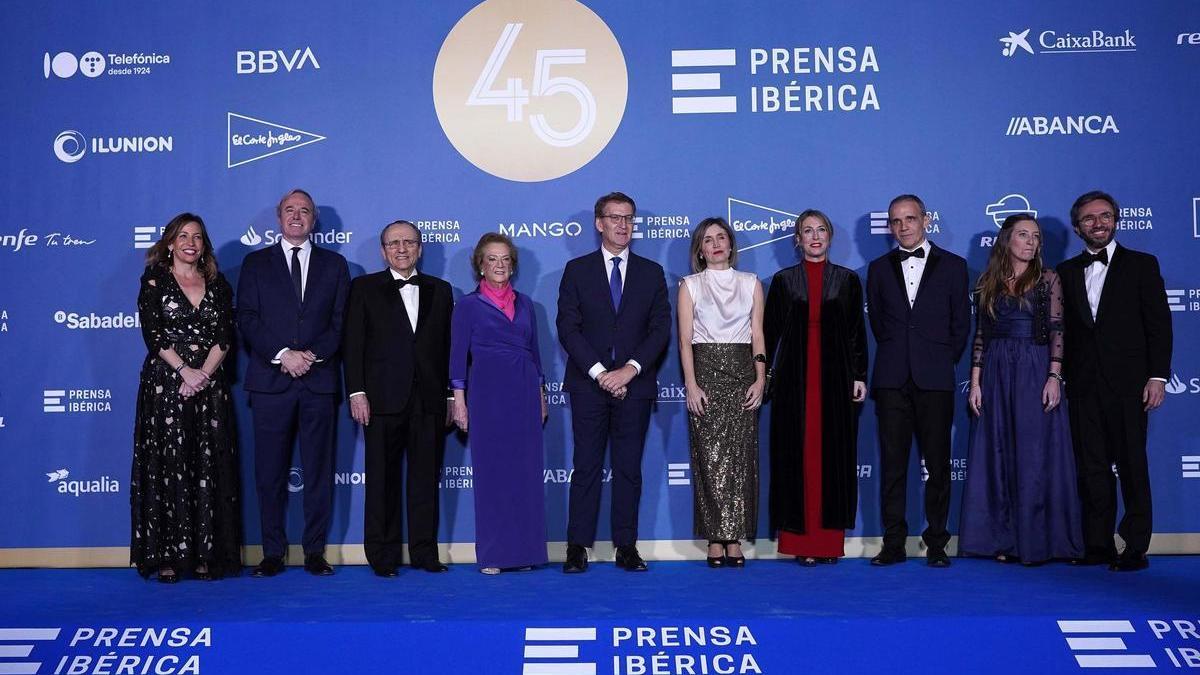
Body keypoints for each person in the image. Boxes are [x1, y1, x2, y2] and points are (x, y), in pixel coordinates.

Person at [237, 188, 350, 577]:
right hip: (271, 382)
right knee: (268, 472)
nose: (297, 216)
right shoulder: (255, 264)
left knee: (319, 471)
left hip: (317, 383)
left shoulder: (335, 266)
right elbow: (247, 318)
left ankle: (314, 552)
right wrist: (284, 354)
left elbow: (340, 322)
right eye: (290, 210)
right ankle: (272, 552)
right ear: (278, 217)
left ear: (314, 219)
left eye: (304, 210)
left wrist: (309, 357)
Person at [1058, 190, 1172, 572]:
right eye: (1089, 218)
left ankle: (1136, 546)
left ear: (1116, 221)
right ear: (1078, 227)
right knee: (1091, 468)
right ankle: (1097, 545)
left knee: (1131, 465)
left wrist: (1157, 376)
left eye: (1105, 216)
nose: (1098, 223)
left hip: (1128, 385)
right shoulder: (1066, 271)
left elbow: (1159, 326)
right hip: (1083, 385)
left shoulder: (1142, 265)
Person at [557, 191, 671, 573]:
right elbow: (567, 328)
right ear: (599, 223)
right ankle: (577, 547)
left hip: (634, 386)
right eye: (615, 217)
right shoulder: (576, 269)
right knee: (586, 466)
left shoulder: (652, 273)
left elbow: (660, 330)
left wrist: (629, 370)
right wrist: (601, 373)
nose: (623, 224)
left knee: (628, 469)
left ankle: (627, 546)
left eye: (628, 218)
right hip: (589, 385)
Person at [959, 214, 1083, 565]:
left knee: (1034, 454)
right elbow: (981, 335)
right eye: (1023, 235)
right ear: (1006, 241)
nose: (1031, 242)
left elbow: (1058, 329)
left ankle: (1041, 541)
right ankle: (1004, 540)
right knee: (999, 454)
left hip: (1034, 366)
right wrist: (976, 383)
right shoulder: (989, 282)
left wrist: (1054, 377)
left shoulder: (1049, 279)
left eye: (1036, 236)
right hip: (997, 370)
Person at [131, 213, 242, 582]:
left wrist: (203, 374)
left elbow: (225, 334)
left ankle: (206, 554)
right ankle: (167, 555)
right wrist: (184, 371)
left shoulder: (218, 283)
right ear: (169, 243)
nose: (190, 242)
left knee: (207, 464)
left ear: (204, 244)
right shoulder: (154, 282)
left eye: (197, 236)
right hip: (167, 384)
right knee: (169, 465)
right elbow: (154, 335)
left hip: (210, 384)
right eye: (183, 236)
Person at [343, 220, 454, 577]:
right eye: (394, 243)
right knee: (381, 481)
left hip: (428, 400)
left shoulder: (441, 289)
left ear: (420, 248)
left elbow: (449, 348)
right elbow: (353, 345)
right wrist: (357, 392)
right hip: (380, 400)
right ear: (383, 250)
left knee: (425, 481)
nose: (402, 249)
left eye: (409, 242)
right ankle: (382, 556)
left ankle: (425, 553)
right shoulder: (363, 288)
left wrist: (451, 394)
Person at [866, 194, 970, 568]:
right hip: (892, 379)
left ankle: (938, 543)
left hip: (936, 379)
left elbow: (961, 326)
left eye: (910, 218)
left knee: (939, 465)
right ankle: (893, 542)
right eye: (895, 221)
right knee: (893, 466)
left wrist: (938, 359)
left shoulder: (956, 266)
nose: (903, 226)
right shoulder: (877, 269)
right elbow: (878, 323)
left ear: (925, 220)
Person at [764, 210, 867, 566]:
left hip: (836, 379)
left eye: (821, 229)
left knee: (833, 456)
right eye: (807, 231)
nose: (815, 236)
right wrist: (762, 377)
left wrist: (859, 375)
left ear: (830, 236)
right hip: (794, 380)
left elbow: (857, 334)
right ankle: (800, 542)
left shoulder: (848, 280)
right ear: (797, 240)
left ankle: (827, 544)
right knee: (796, 455)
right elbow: (768, 334)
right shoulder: (782, 281)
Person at [450, 233, 548, 574]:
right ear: (480, 264)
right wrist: (459, 402)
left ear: (513, 264)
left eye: (505, 259)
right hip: (487, 394)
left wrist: (541, 396)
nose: (500, 265)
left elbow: (535, 354)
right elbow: (457, 357)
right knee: (493, 475)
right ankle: (494, 555)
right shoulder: (467, 306)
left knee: (525, 473)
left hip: (523, 391)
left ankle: (524, 553)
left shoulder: (526, 304)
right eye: (492, 258)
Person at [677, 217, 764, 568]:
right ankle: (715, 537)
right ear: (700, 248)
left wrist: (760, 379)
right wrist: (691, 384)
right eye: (708, 239)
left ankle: (735, 538)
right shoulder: (689, 285)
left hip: (744, 373)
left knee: (741, 459)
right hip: (706, 373)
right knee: (709, 459)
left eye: (721, 237)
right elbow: (684, 340)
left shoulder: (752, 283)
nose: (715, 244)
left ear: (731, 244)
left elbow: (758, 334)